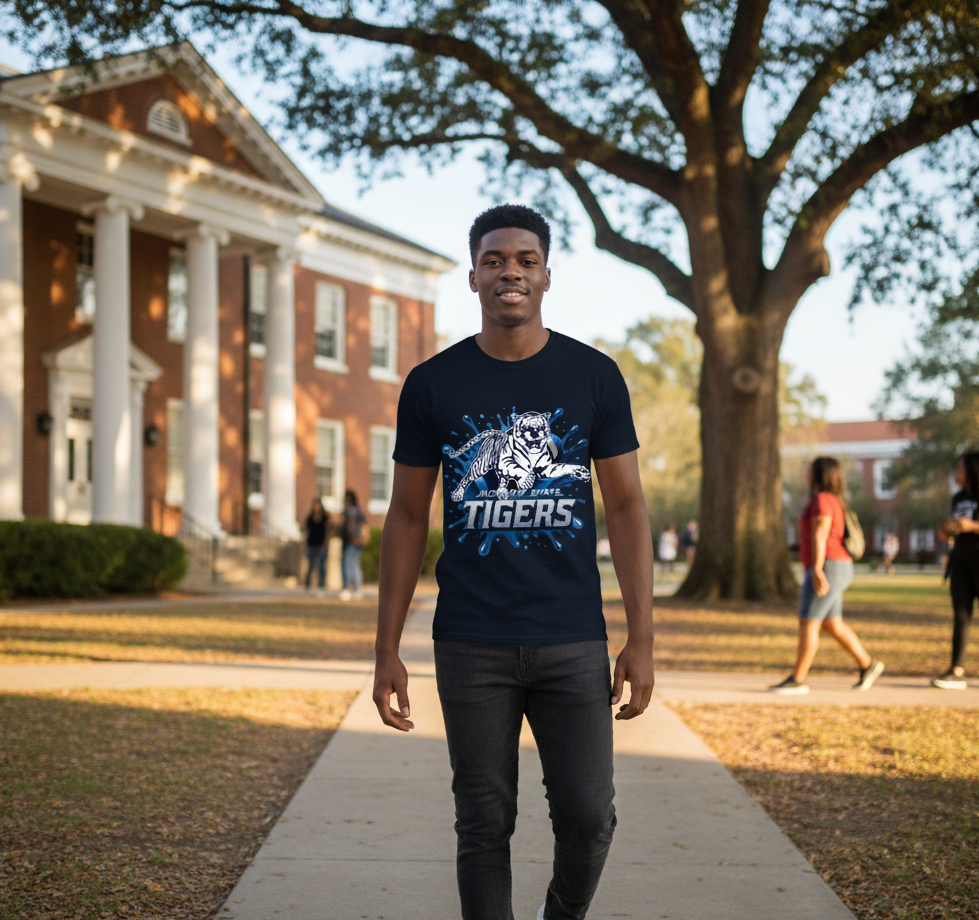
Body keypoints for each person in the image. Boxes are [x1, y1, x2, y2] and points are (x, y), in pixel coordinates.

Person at [372, 204, 655, 920]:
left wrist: (642, 639)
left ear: (547, 275)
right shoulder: (432, 384)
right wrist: (385, 649)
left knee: (589, 817)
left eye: (526, 260)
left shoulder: (593, 376)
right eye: (494, 260)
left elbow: (626, 507)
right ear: (473, 277)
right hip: (471, 641)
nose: (510, 272)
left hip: (571, 637)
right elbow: (405, 517)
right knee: (483, 823)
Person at [770, 456, 884, 695]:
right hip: (836, 566)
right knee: (831, 623)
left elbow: (821, 534)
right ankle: (868, 665)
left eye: (809, 469)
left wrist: (817, 569)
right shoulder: (830, 499)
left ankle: (797, 679)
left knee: (808, 622)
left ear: (818, 474)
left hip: (829, 566)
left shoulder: (822, 500)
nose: (806, 473)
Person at [932, 451, 979, 689]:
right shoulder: (958, 498)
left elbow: (970, 526)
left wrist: (973, 526)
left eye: (960, 467)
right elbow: (956, 528)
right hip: (961, 562)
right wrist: (947, 532)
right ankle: (956, 671)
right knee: (961, 616)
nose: (956, 471)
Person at [339, 489, 367, 601]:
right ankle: (357, 589)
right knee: (355, 565)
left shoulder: (349, 511)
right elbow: (364, 527)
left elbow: (348, 528)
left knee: (347, 565)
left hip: (350, 542)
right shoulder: (359, 511)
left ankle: (347, 588)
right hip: (358, 543)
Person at [303, 498, 329, 593]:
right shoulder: (310, 518)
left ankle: (321, 586)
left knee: (322, 567)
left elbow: (329, 530)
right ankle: (307, 586)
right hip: (311, 545)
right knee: (310, 566)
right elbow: (307, 531)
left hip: (322, 546)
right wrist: (305, 543)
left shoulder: (325, 518)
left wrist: (326, 541)